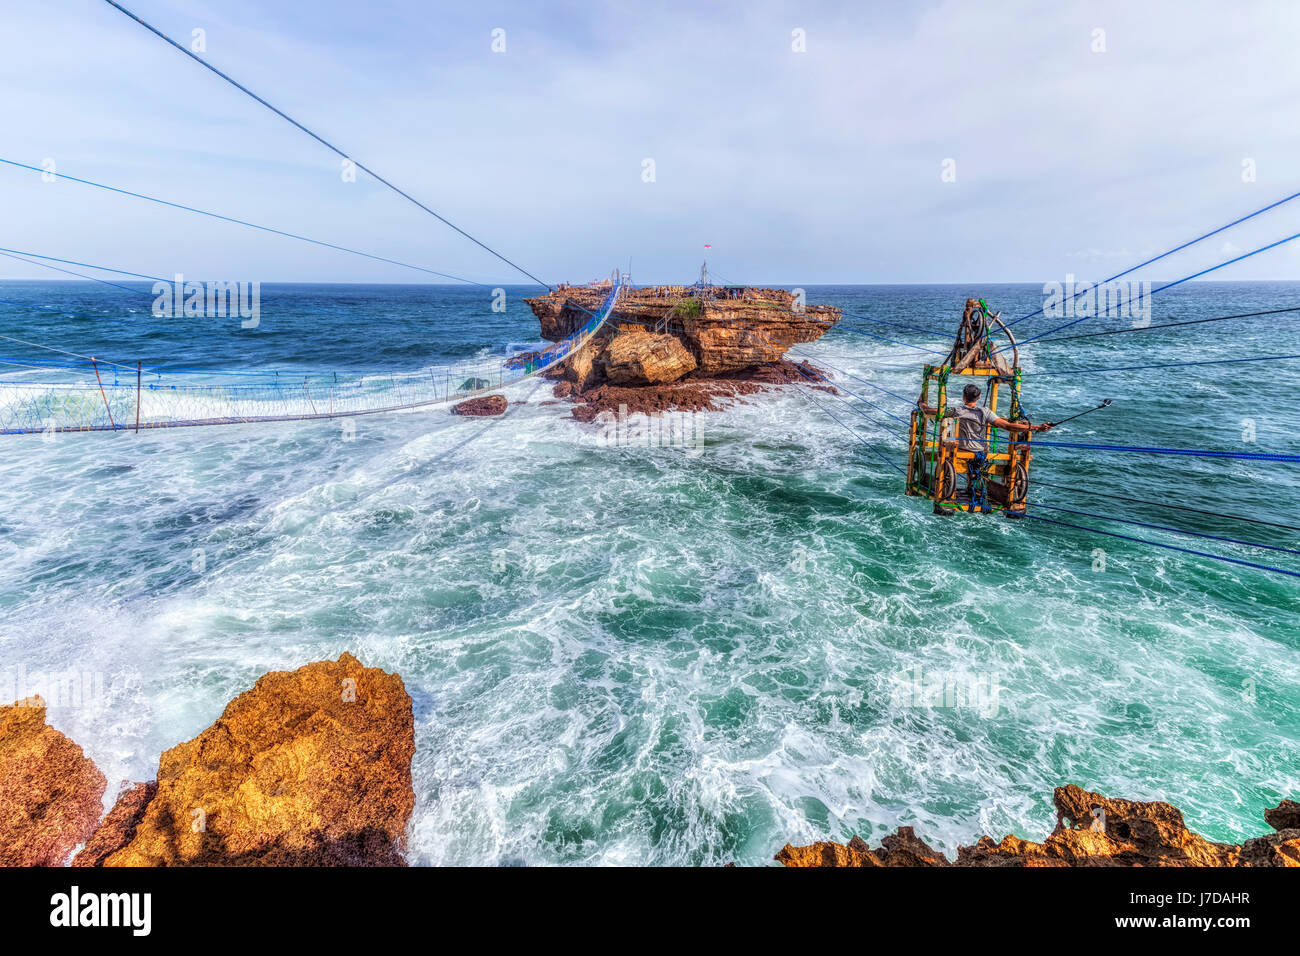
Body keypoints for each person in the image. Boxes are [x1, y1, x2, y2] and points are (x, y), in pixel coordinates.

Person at [920, 384, 1051, 515]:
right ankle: (975, 484)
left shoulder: (956, 411)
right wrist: (1036, 427)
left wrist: (921, 404)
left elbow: (931, 411)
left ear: (964, 397)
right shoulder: (985, 412)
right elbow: (1008, 426)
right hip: (981, 453)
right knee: (976, 462)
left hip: (962, 452)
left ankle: (964, 486)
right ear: (979, 397)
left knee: (949, 437)